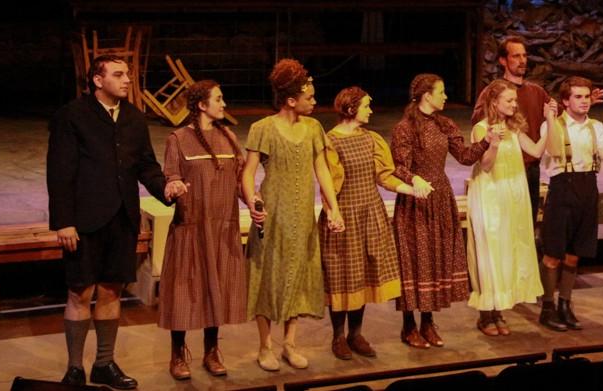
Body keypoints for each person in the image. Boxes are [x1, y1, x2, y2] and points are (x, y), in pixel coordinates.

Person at [48, 54, 173, 389]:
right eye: (119, 74)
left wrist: (166, 188)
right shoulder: (72, 116)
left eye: (128, 74)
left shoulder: (133, 117)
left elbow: (145, 165)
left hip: (122, 217)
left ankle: (104, 364)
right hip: (85, 220)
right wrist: (64, 221)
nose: (127, 79)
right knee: (80, 292)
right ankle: (75, 369)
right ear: (98, 80)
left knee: (111, 291)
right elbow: (60, 172)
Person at [242, 59, 342, 371]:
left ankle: (290, 343)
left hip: (302, 216)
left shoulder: (313, 128)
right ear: (290, 100)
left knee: (298, 275)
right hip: (273, 215)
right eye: (309, 97)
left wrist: (333, 208)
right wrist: (252, 201)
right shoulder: (263, 129)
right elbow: (247, 174)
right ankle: (265, 346)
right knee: (268, 277)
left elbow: (322, 169)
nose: (315, 101)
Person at [391, 74, 491, 348]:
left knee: (434, 259)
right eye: (442, 92)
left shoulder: (445, 124)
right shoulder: (405, 128)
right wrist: (414, 179)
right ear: (426, 95)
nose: (446, 96)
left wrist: (486, 141)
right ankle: (409, 325)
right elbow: (398, 167)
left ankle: (428, 322)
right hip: (416, 200)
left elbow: (465, 157)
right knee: (415, 262)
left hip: (441, 198)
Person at [159, 80, 247, 380]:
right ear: (201, 105)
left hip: (222, 228)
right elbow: (171, 174)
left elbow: (239, 182)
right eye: (219, 99)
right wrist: (173, 186)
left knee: (217, 287)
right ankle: (178, 353)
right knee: (184, 292)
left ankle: (211, 350)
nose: (224, 104)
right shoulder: (178, 138)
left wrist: (255, 201)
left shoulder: (228, 138)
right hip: (191, 228)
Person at [323, 86, 416, 359]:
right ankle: (338, 336)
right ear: (351, 109)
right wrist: (332, 211)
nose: (371, 110)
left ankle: (356, 333)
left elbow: (384, 175)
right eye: (366, 106)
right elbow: (329, 182)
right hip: (346, 213)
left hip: (370, 212)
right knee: (343, 274)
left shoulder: (371, 139)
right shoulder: (332, 141)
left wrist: (409, 189)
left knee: (362, 273)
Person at [472, 36, 603, 221]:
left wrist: (585, 102)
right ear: (503, 60)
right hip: (503, 168)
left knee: (528, 222)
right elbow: (479, 121)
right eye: (516, 56)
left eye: (524, 56)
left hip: (530, 167)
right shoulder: (494, 91)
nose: (522, 60)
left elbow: (559, 111)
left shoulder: (535, 91)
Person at [467, 79, 548, 336]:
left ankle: (499, 310)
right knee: (490, 251)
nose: (515, 104)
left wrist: (550, 124)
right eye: (510, 101)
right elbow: (487, 165)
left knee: (507, 250)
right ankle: (485, 315)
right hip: (491, 195)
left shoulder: (514, 128)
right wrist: (492, 142)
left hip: (513, 194)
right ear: (494, 103)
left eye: (515, 100)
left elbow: (534, 151)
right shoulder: (482, 129)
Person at [536, 76, 603, 331]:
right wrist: (550, 119)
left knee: (574, 255)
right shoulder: (552, 125)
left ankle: (565, 304)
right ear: (565, 101)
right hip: (562, 189)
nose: (584, 101)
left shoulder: (596, 126)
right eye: (578, 97)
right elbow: (556, 152)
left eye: (586, 96)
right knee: (553, 255)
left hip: (587, 188)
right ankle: (547, 306)